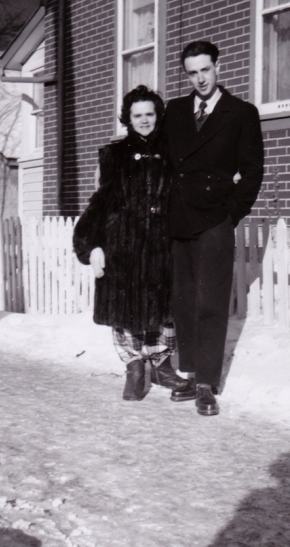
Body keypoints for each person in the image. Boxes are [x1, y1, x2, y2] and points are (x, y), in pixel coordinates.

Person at [165, 40, 264, 416]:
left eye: (205, 70)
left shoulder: (241, 113)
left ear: (218, 67)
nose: (200, 79)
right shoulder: (174, 111)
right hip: (180, 218)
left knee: (210, 301)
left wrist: (231, 214)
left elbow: (253, 171)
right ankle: (189, 373)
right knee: (184, 300)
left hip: (214, 220)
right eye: (192, 72)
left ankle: (207, 382)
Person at [73, 85, 180, 401]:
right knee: (125, 310)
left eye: (150, 114)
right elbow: (100, 202)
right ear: (128, 119)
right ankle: (134, 368)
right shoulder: (114, 156)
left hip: (163, 245)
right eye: (138, 115)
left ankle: (162, 365)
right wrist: (90, 245)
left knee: (164, 308)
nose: (144, 120)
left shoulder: (174, 153)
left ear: (157, 116)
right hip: (122, 246)